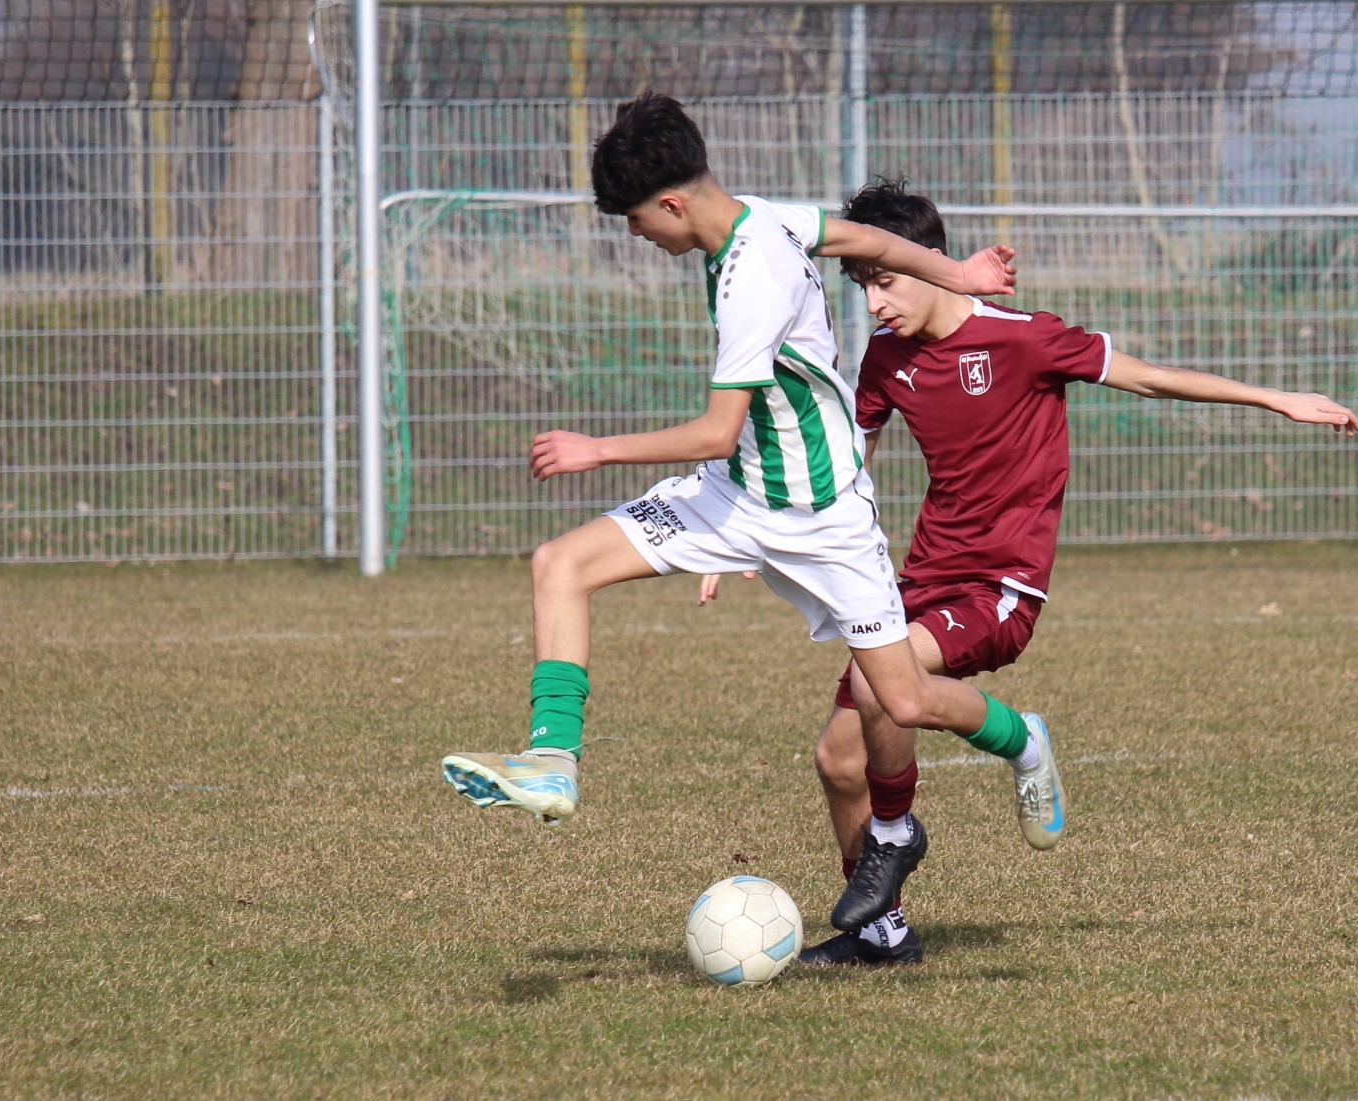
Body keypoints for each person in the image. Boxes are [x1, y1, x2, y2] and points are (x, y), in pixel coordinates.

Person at [701, 178, 1358, 967]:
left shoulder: (1021, 338)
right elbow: (840, 460)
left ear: (930, 261)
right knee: (838, 758)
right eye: (862, 286)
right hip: (914, 581)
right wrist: (748, 533)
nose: (874, 303)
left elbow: (1149, 376)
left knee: (887, 689)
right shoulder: (887, 356)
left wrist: (1278, 399)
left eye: (884, 281)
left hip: (999, 587)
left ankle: (1017, 741)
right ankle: (882, 931)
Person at [440, 95, 1039, 935]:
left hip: (821, 516)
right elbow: (866, 241)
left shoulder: (753, 278)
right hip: (734, 496)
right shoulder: (761, 216)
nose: (636, 235)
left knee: (902, 702)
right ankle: (550, 759)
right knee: (560, 563)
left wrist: (595, 448)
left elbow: (715, 429)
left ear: (672, 203)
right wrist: (960, 275)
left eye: (636, 220)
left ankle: (1021, 738)